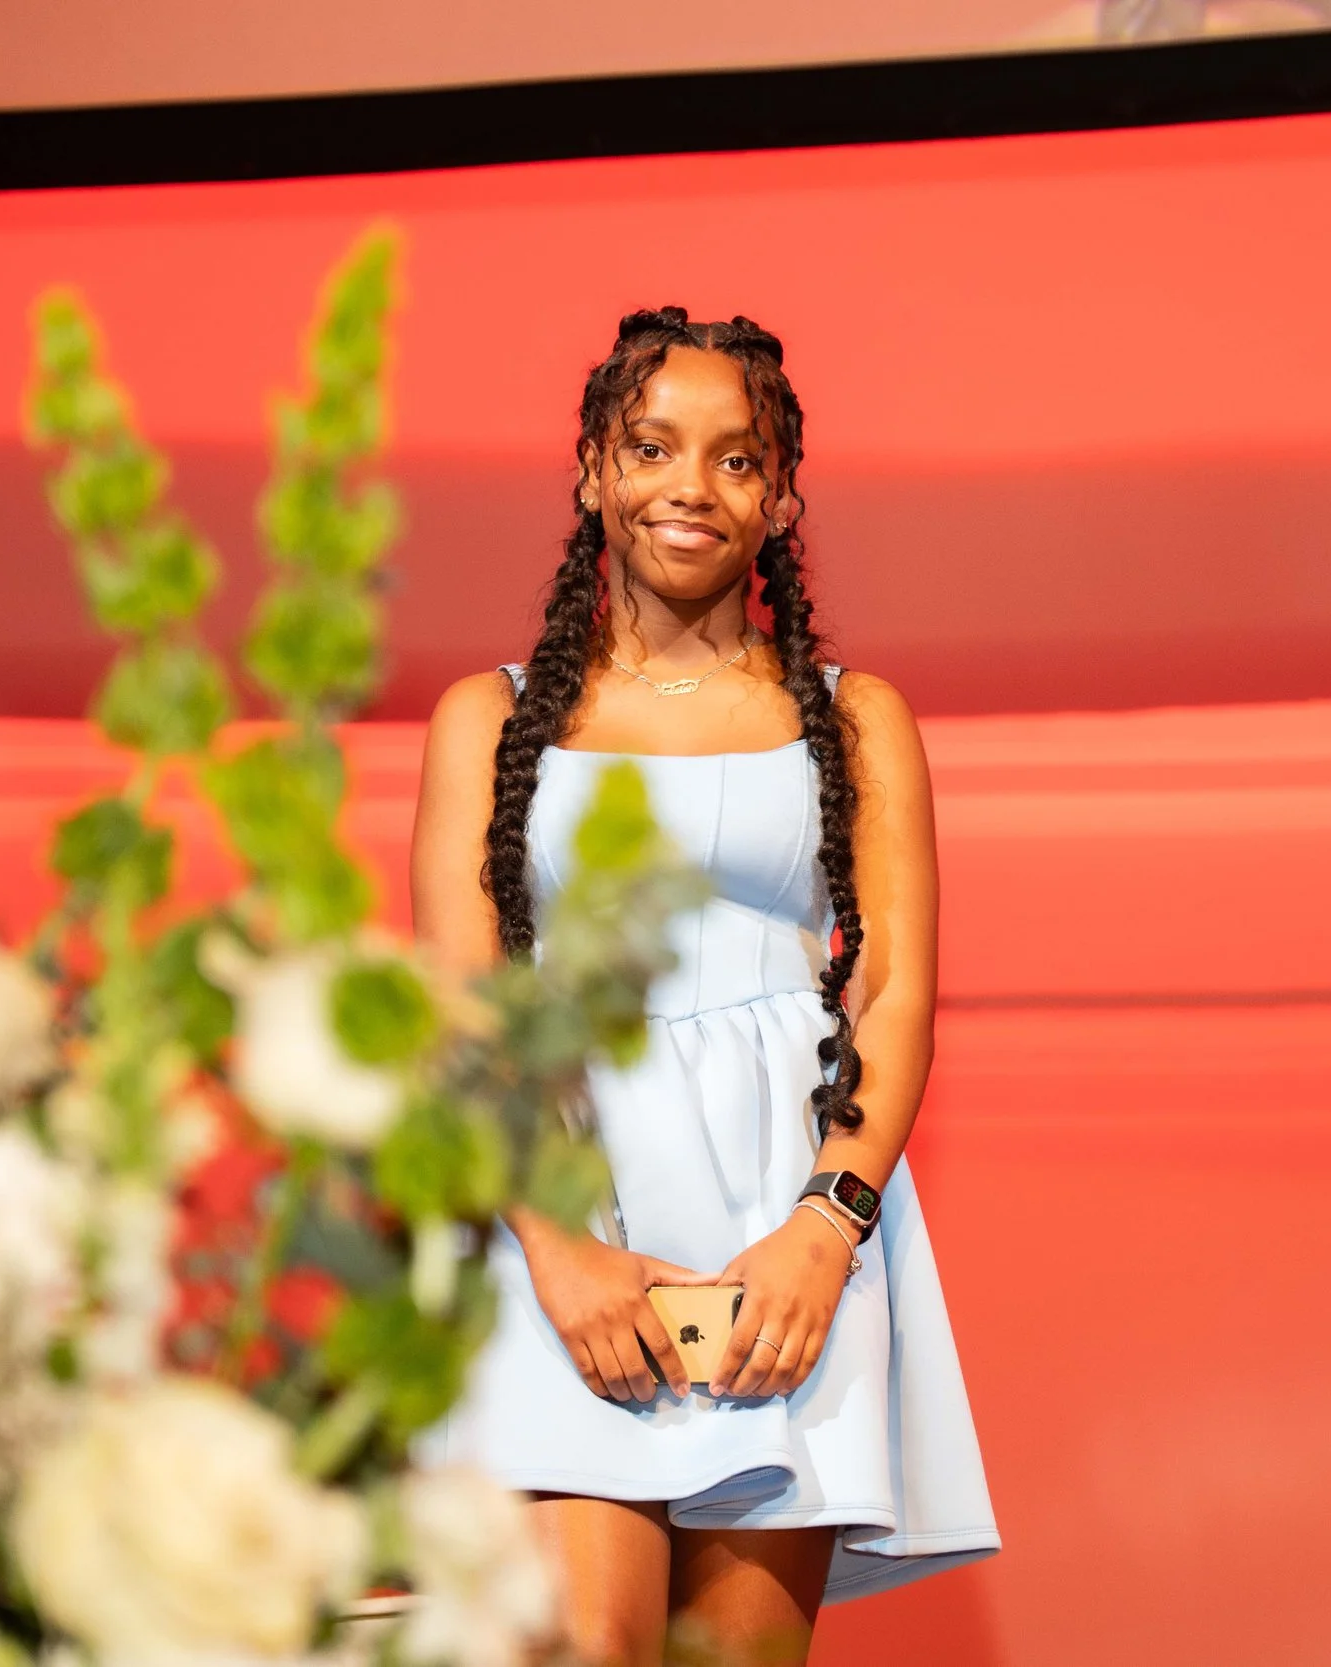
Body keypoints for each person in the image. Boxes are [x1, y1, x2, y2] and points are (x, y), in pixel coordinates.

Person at [409, 307, 999, 1666]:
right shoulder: (485, 721)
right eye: (654, 447)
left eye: (738, 460)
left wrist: (825, 1229)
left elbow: (895, 985)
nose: (692, 485)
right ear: (592, 471)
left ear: (782, 494)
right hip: (554, 1219)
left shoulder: (855, 718)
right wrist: (557, 1249)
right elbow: (466, 1005)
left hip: (781, 1235)